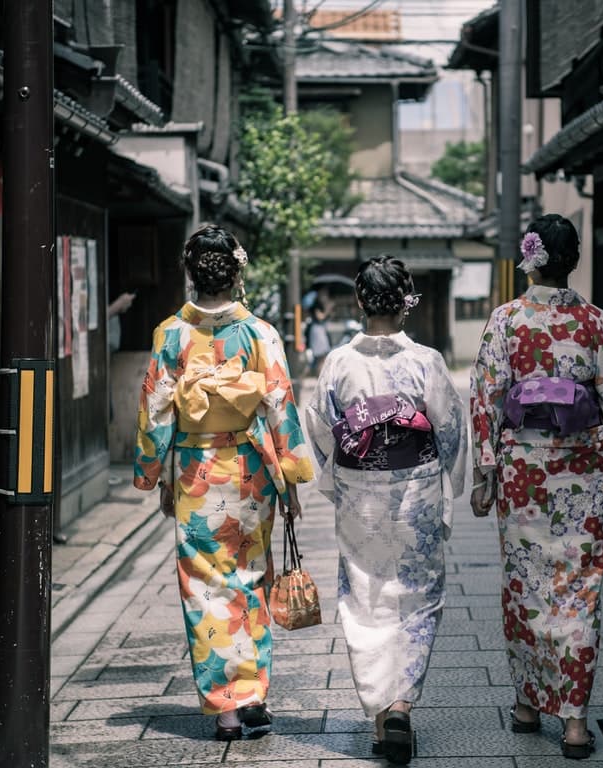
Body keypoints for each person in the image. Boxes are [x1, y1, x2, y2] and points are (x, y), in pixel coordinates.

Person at [469, 214, 603, 759]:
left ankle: (528, 704)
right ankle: (574, 721)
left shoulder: (505, 320)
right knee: (579, 593)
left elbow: (486, 401)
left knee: (526, 587)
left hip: (523, 475)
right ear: (572, 260)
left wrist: (485, 476)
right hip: (583, 473)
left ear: (528, 259)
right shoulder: (596, 323)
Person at [133, 224, 314, 742]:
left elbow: (156, 410)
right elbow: (280, 402)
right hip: (251, 467)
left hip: (195, 469)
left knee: (205, 587)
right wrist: (292, 477)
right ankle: (253, 694)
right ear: (237, 273)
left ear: (191, 273)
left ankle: (226, 709)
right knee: (250, 576)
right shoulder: (260, 332)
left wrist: (152, 471)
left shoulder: (171, 333)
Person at [305, 255, 467, 765]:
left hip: (359, 489)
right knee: (417, 597)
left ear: (359, 303)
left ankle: (381, 717)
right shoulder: (426, 361)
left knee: (365, 596)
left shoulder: (338, 363)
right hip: (415, 488)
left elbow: (320, 428)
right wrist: (449, 481)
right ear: (406, 302)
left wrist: (339, 474)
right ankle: (401, 705)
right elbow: (449, 430)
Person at [304, 299, 333, 376]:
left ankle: (317, 377)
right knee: (320, 360)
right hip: (318, 334)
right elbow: (320, 316)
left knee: (320, 360)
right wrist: (328, 310)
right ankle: (318, 377)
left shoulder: (316, 305)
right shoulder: (317, 306)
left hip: (318, 333)